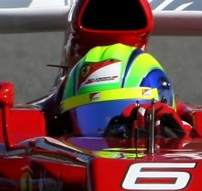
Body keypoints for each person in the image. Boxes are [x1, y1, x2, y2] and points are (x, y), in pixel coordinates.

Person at [58, 44, 190, 139]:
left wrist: (176, 139)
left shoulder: (190, 140)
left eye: (122, 118)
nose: (111, 132)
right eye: (93, 117)